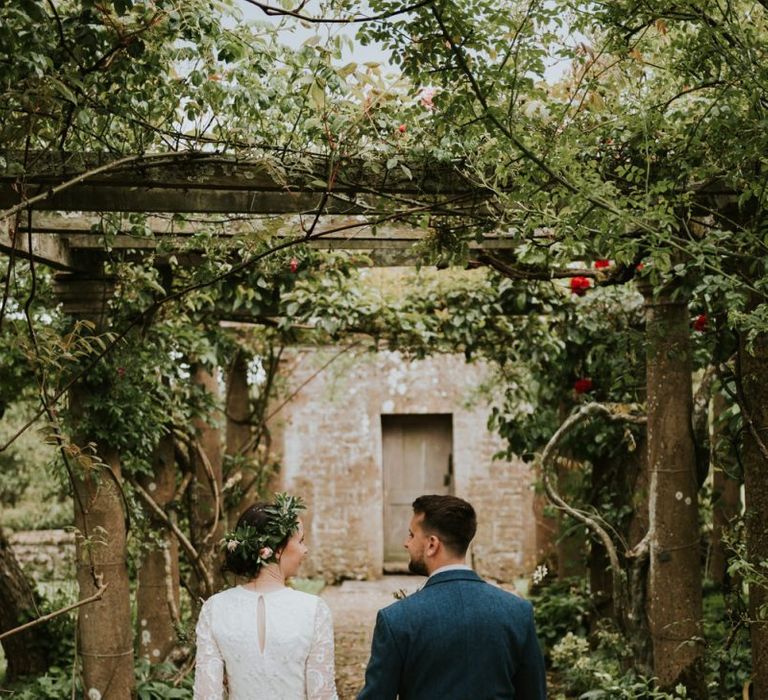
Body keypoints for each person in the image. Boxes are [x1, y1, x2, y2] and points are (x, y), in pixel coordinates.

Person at [358, 494, 547, 700]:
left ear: (432, 544)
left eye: (411, 535)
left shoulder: (396, 620)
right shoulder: (518, 612)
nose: (406, 543)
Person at [194, 493, 339, 700]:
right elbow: (322, 695)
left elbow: (207, 695)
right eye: (301, 541)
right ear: (278, 550)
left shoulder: (215, 609)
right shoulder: (314, 610)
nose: (305, 550)